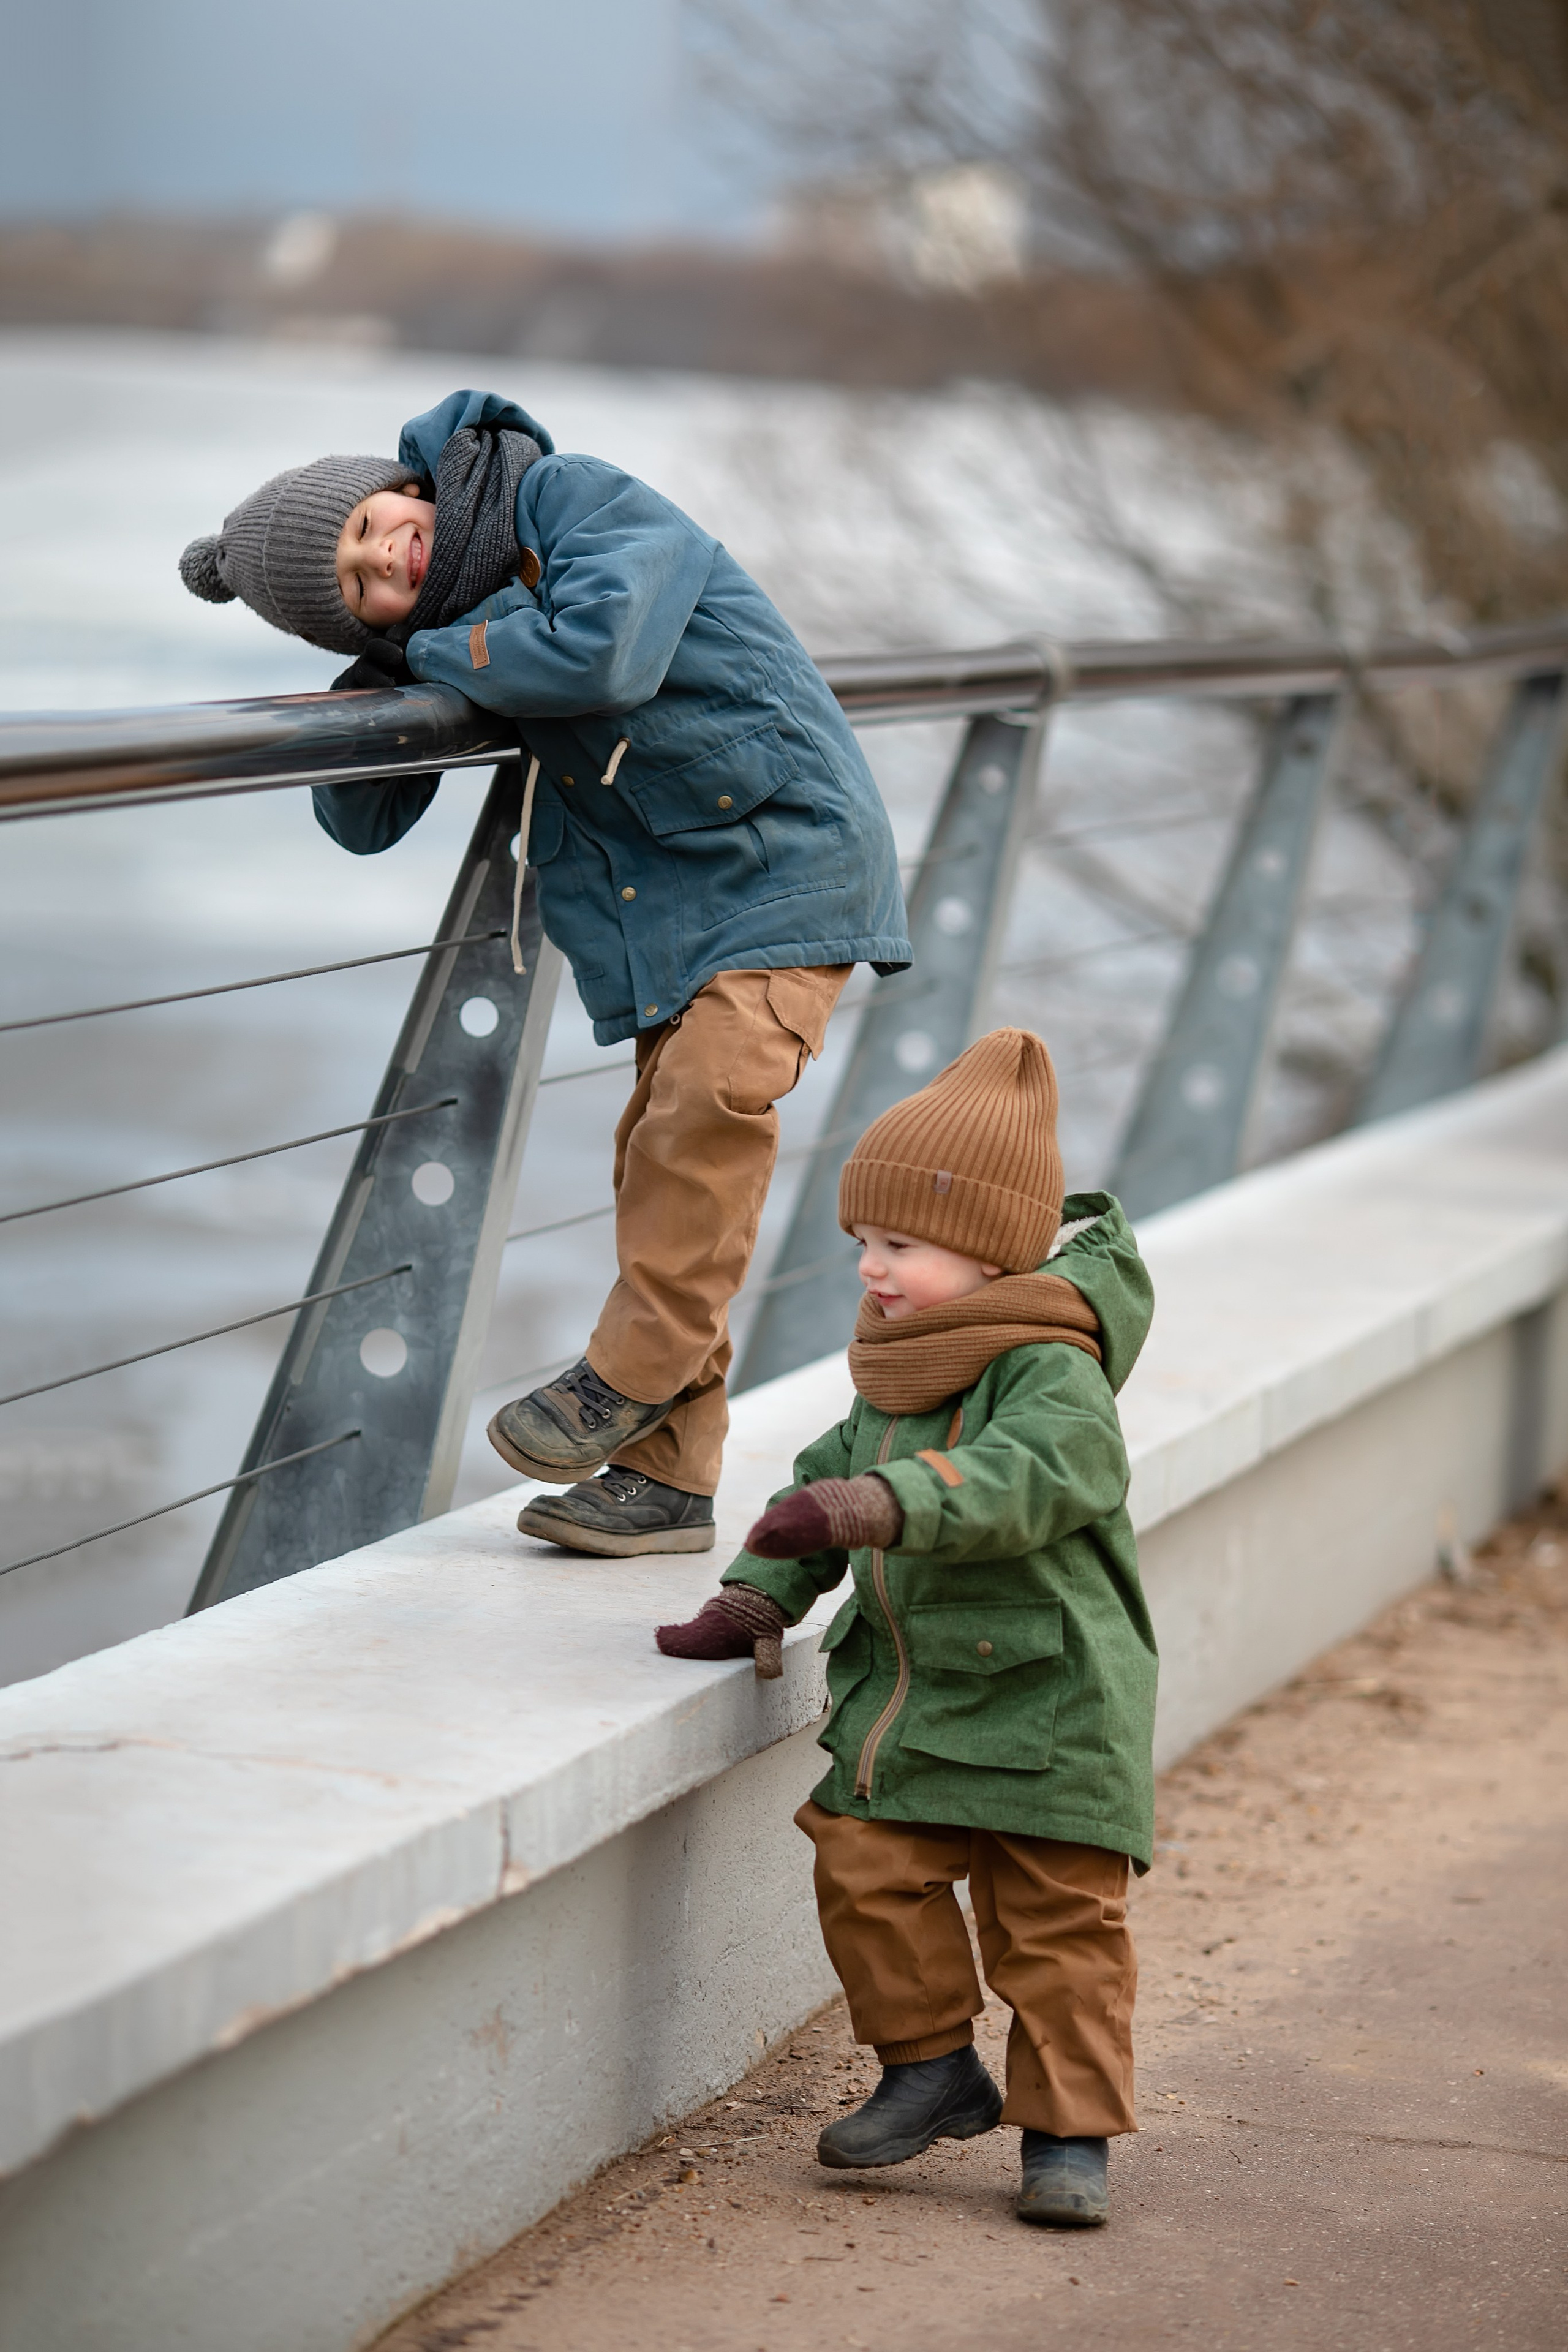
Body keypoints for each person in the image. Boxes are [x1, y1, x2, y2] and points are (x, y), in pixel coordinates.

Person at [179, 388, 910, 1556]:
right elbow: (363, 818)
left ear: (404, 486)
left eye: (370, 523)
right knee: (663, 1163)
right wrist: (380, 674)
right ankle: (668, 1482)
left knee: (709, 1108)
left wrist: (421, 642)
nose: (385, 555)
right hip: (666, 915)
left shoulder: (569, 500)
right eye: (361, 583)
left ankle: (627, 1375)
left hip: (786, 863)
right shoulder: (462, 627)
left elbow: (604, 651)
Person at [655, 1028, 1157, 2228]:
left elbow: (1026, 1480)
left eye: (900, 1244)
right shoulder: (905, 1363)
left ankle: (1068, 2137)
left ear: (988, 1248)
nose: (871, 1269)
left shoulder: (1052, 1373)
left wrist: (881, 1505)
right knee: (864, 1866)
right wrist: (757, 1593)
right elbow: (828, 1483)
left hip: (1051, 1708)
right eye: (862, 1245)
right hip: (918, 1704)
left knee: (1053, 1930)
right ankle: (928, 2068)